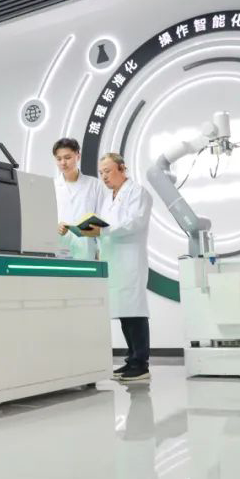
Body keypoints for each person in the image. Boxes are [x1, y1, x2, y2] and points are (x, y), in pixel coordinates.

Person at [82, 152, 153, 381]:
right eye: (101, 172)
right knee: (123, 312)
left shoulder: (138, 192)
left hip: (130, 259)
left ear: (122, 169)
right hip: (113, 260)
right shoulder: (108, 197)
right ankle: (131, 360)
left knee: (135, 312)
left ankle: (141, 364)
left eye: (108, 171)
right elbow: (106, 226)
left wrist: (103, 230)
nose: (103, 176)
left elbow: (135, 222)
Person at [52, 138, 103, 260]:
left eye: (67, 157)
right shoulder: (51, 186)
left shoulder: (95, 185)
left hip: (86, 249)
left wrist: (101, 250)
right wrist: (55, 226)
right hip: (58, 246)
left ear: (78, 156)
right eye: (59, 159)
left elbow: (102, 219)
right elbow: (45, 219)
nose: (63, 163)